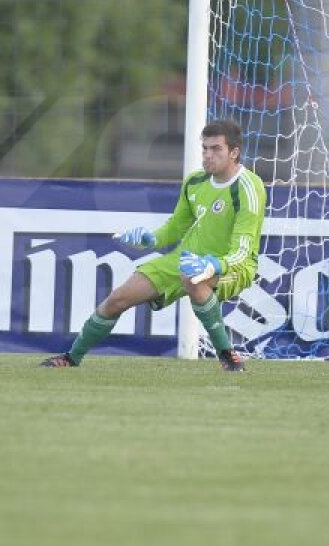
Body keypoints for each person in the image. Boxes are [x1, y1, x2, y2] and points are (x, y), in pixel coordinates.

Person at [40, 120, 266, 371]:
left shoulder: (248, 187)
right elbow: (175, 227)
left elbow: (243, 250)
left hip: (233, 266)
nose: (207, 155)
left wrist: (212, 264)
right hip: (186, 259)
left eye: (216, 149)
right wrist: (150, 239)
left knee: (193, 278)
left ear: (234, 152)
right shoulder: (195, 182)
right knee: (117, 299)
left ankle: (227, 355)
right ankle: (71, 358)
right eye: (204, 149)